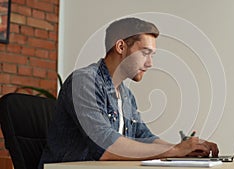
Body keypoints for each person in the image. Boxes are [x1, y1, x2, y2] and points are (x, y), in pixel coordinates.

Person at [38, 17, 219, 168]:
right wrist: (176, 151)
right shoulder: (84, 82)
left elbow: (144, 137)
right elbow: (105, 146)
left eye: (152, 55)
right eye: (145, 53)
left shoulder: (126, 95)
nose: (150, 63)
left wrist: (186, 149)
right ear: (121, 47)